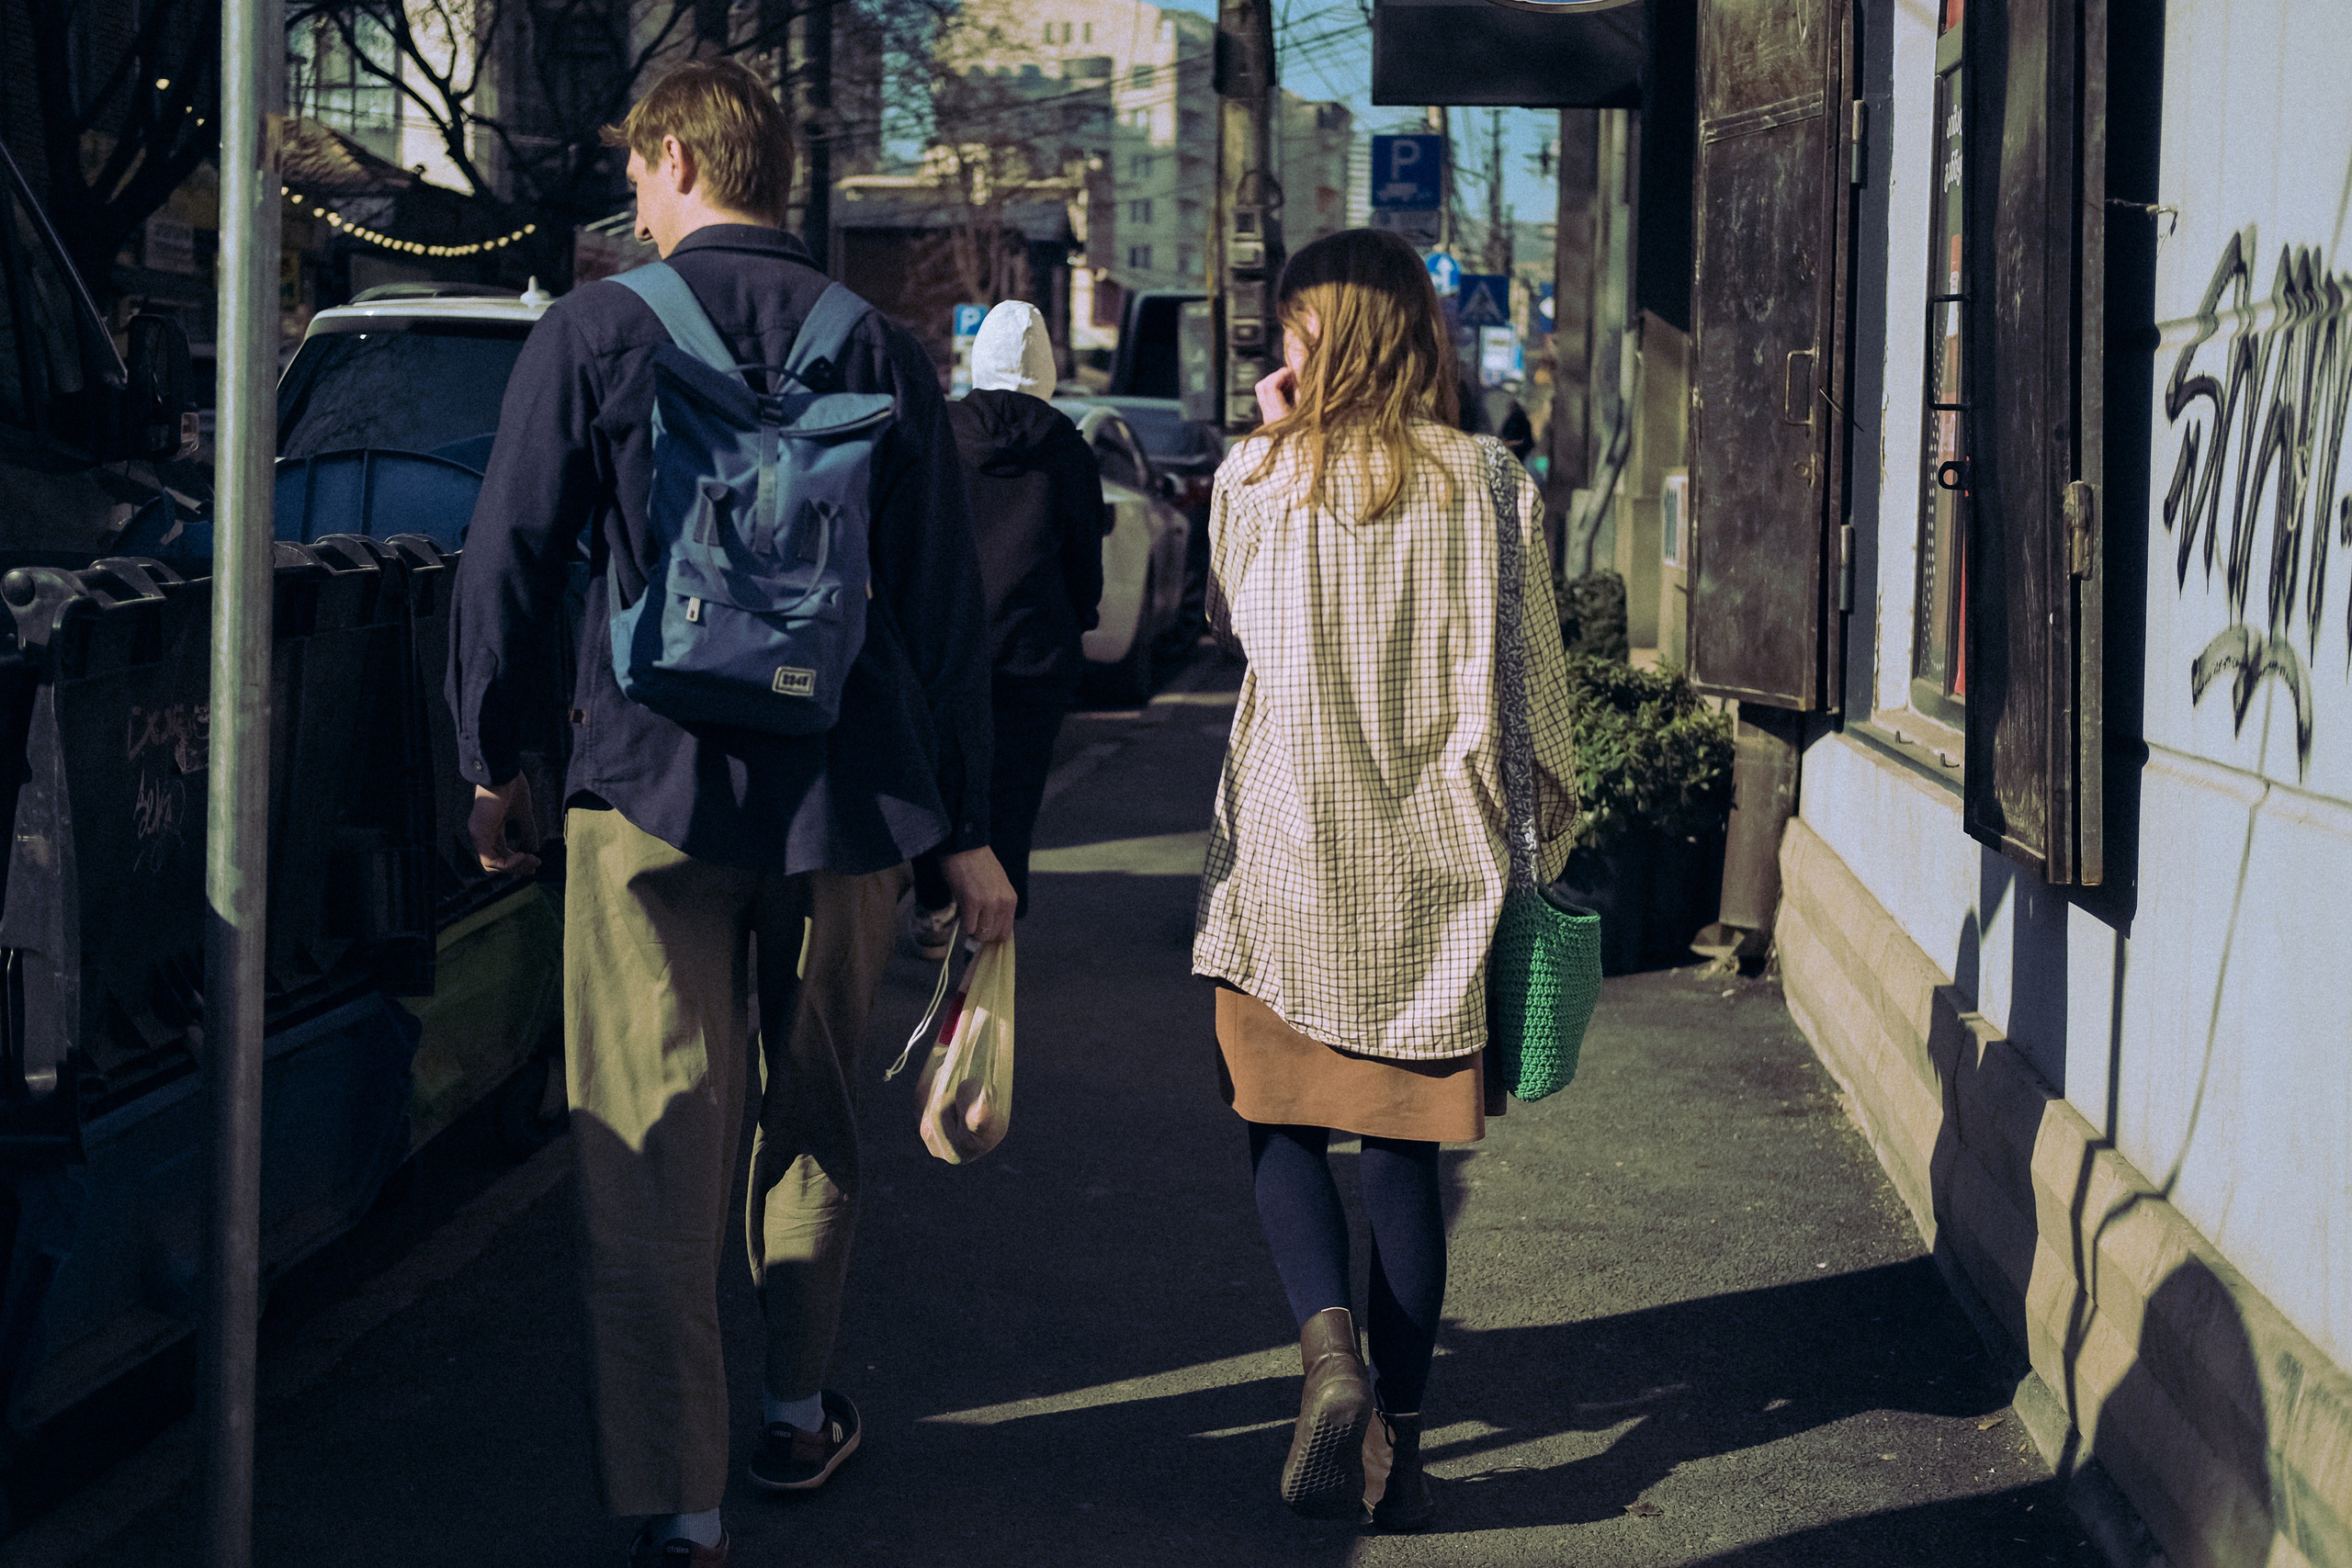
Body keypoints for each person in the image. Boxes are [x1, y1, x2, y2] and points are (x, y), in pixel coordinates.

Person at [448, 59, 1017, 1566]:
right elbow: (945, 614)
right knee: (814, 1109)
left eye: (640, 172)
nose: (631, 199)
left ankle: (683, 1497)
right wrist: (963, 827)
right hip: (845, 807)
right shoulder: (884, 352)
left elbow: (506, 557)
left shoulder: (592, 333)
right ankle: (792, 1405)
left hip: (647, 792)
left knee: (651, 1135)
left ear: (679, 157)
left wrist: (495, 762)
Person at [1193, 228, 1580, 1530]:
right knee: (1406, 1164)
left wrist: (1267, 430)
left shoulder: (1256, 481)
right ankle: (1396, 1452)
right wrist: (1544, 851)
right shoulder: (1490, 482)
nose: (1282, 354)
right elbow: (1539, 706)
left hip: (1288, 870)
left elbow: (1231, 626)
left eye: (1292, 332)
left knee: (1281, 1120)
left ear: (1326, 341)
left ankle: (1328, 1352)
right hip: (1436, 884)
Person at [907, 300, 1110, 957]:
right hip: (1032, 648)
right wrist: (1080, 616)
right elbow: (1083, 554)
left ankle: (934, 902)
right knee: (1013, 793)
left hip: (943, 644)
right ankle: (990, 934)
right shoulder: (1068, 448)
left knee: (935, 776)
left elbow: (911, 534)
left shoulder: (939, 430)